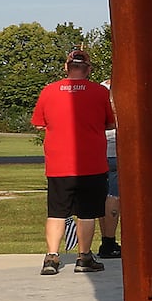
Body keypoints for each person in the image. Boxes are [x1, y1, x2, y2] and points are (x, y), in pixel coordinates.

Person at [31, 48, 115, 274]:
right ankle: (84, 257)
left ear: (66, 68)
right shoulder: (99, 92)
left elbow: (39, 122)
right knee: (87, 213)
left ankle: (51, 257)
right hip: (91, 163)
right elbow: (110, 123)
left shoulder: (49, 91)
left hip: (59, 164)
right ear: (88, 69)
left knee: (56, 212)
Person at [98, 78, 121, 259]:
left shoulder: (100, 88)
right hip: (117, 147)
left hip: (100, 149)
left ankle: (106, 239)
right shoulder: (124, 89)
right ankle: (109, 240)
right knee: (114, 195)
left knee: (102, 195)